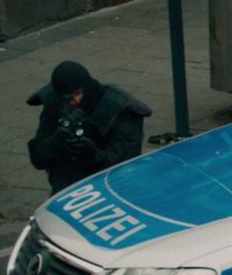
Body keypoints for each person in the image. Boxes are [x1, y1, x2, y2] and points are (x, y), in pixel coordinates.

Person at [27, 61, 150, 194]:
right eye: (67, 97)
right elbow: (38, 159)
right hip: (67, 185)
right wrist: (55, 142)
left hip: (110, 188)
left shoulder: (121, 111)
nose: (73, 101)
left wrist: (93, 154)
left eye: (77, 94)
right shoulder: (55, 102)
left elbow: (124, 167)